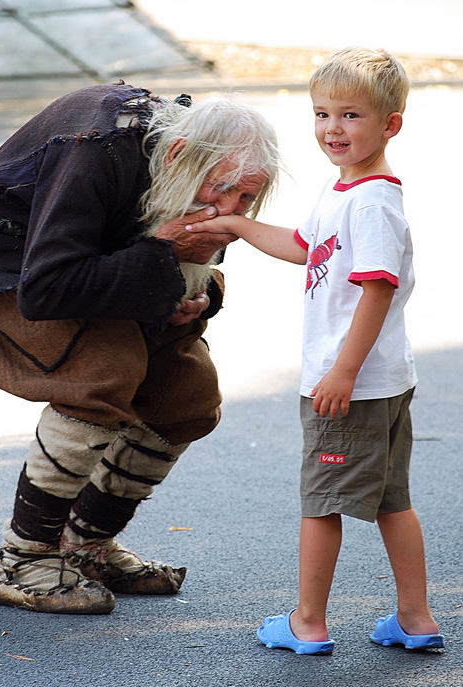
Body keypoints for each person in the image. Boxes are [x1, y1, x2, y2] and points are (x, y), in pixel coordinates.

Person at [0, 81, 280, 614]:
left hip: (90, 264)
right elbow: (49, 286)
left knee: (187, 395)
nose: (230, 212)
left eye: (246, 198)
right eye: (223, 190)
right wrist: (161, 261)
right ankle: (23, 561)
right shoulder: (97, 146)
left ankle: (86, 547)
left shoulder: (190, 164)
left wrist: (197, 293)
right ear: (177, 155)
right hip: (2, 258)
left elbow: (179, 256)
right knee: (103, 371)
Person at [187, 48, 445, 653]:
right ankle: (415, 619)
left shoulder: (373, 201)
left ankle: (308, 622)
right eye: (322, 113)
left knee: (320, 504)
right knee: (390, 501)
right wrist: (237, 228)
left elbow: (377, 287)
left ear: (390, 125)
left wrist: (342, 371)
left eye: (351, 115)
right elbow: (306, 247)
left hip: (352, 383)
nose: (333, 128)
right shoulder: (345, 191)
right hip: (378, 382)